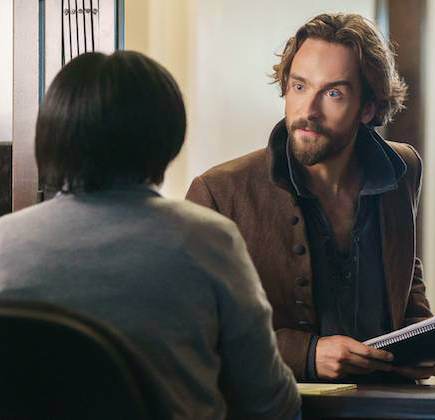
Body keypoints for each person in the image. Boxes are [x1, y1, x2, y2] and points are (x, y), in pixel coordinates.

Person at [0, 51, 300, 419]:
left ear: (49, 135)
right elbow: (270, 403)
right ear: (168, 137)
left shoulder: (4, 242)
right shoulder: (206, 241)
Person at [187, 13, 435, 383]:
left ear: (368, 108)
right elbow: (193, 328)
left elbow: (404, 270)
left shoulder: (403, 168)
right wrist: (306, 355)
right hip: (280, 403)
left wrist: (419, 341)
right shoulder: (219, 192)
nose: (308, 111)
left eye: (333, 93)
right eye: (299, 87)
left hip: (386, 399)